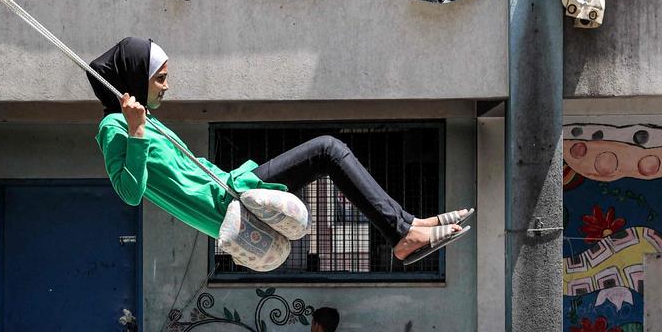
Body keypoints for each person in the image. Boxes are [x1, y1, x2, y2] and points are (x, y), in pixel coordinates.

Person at [88, 37, 473, 265]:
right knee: (328, 150)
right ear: (136, 77)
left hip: (230, 186)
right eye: (161, 78)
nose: (166, 87)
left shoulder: (145, 121)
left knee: (329, 152)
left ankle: (407, 224)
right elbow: (129, 192)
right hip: (227, 201)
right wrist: (136, 132)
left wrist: (142, 126)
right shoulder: (116, 127)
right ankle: (402, 232)